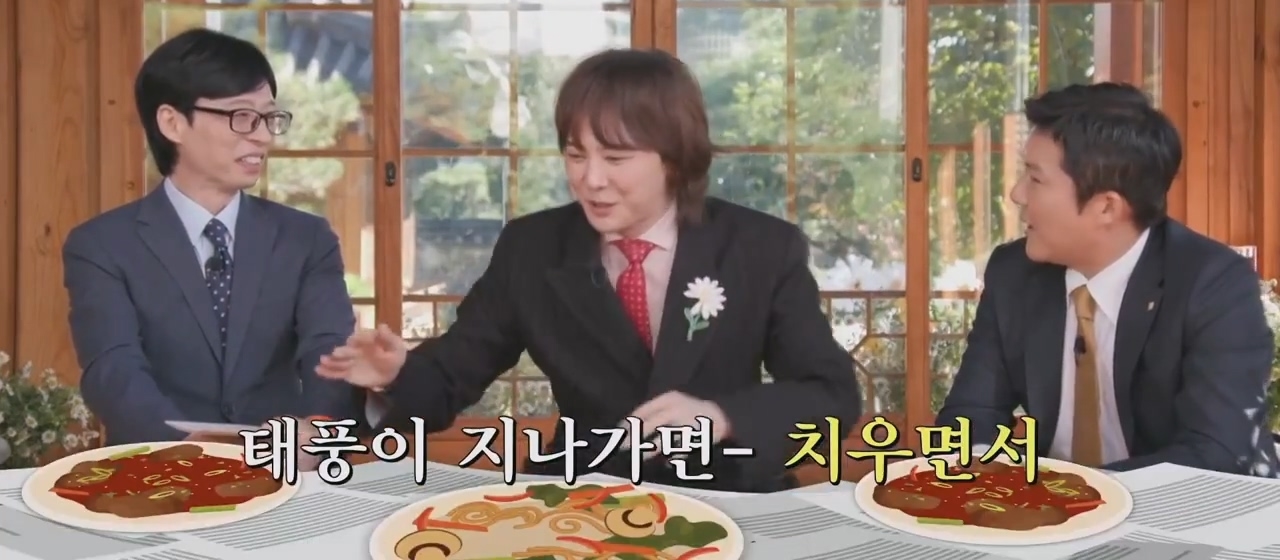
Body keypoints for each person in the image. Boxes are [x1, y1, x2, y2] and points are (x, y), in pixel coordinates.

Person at [316, 49, 860, 492]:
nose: (591, 179)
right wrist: (396, 374)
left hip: (730, 492)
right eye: (576, 155)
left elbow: (830, 395)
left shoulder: (760, 247)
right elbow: (450, 377)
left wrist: (722, 417)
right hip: (582, 495)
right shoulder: (533, 248)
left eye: (616, 159)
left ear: (675, 158)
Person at [936, 82, 1278, 477]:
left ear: (1106, 207)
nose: (1016, 194)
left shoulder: (1213, 284)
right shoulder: (1014, 273)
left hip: (1184, 507)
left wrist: (1077, 494)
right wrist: (982, 473)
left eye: (1035, 179)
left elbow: (1215, 453)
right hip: (1054, 505)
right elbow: (971, 415)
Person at [63, 28, 360, 446]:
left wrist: (317, 431)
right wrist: (190, 450)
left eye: (269, 117)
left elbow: (329, 350)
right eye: (241, 116)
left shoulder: (306, 239)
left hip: (285, 465)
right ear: (172, 122)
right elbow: (113, 369)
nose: (262, 135)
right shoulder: (101, 246)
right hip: (160, 467)